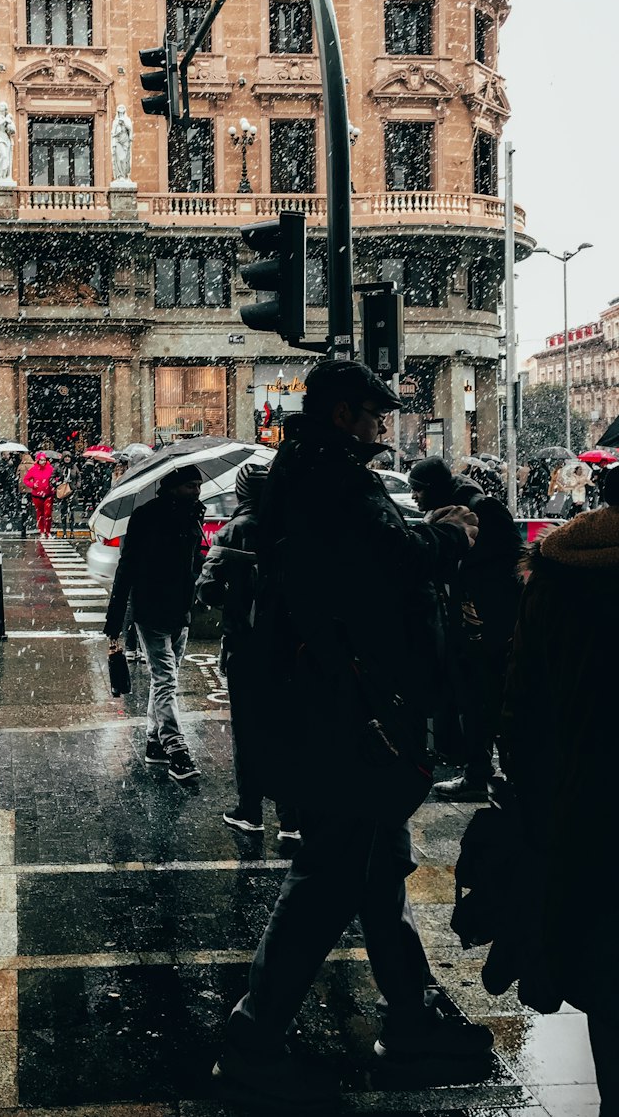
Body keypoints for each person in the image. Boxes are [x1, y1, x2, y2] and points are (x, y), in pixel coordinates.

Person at [213, 361, 491, 1105]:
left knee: (374, 869)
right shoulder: (332, 480)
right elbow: (389, 565)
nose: (380, 425)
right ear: (344, 415)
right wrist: (449, 535)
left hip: (332, 711)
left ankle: (411, 1010)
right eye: (373, 413)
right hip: (350, 717)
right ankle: (255, 1032)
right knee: (333, 876)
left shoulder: (304, 472)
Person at [496, 465, 619, 1117]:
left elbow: (522, 710)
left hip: (586, 807)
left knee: (607, 966)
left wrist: (536, 810)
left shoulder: (558, 572)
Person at [408, 456, 523, 801]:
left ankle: (509, 776)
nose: (413, 498)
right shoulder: (445, 514)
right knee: (473, 700)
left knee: (493, 699)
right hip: (465, 622)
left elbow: (510, 560)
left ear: (433, 489)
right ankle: (478, 772)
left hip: (490, 624)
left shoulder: (481, 508)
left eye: (417, 490)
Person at [197, 463, 299, 839]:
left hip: (247, 642)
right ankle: (291, 817)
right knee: (288, 727)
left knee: (249, 727)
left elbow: (208, 588)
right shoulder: (292, 525)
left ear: (240, 493)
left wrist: (235, 599)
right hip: (290, 644)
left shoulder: (234, 530)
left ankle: (250, 810)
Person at [103, 463, 206, 782]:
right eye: (190, 486)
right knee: (166, 678)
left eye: (198, 486)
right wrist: (115, 620)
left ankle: (153, 741)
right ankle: (176, 749)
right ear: (173, 487)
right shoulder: (147, 516)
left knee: (166, 678)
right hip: (151, 608)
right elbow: (127, 567)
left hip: (181, 609)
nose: (197, 491)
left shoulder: (194, 515)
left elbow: (192, 560)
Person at [24, 451, 56, 537]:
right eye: (41, 460)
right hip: (37, 495)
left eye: (44, 460)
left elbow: (55, 477)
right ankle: (42, 531)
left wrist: (54, 482)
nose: (43, 462)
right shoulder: (33, 469)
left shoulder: (50, 468)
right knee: (40, 514)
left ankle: (48, 531)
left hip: (48, 494)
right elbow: (26, 479)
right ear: (38, 460)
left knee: (48, 513)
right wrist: (32, 485)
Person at [54, 450, 79, 536]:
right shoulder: (59, 467)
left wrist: (77, 485)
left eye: (69, 457)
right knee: (63, 512)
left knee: (71, 513)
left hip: (72, 490)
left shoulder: (74, 467)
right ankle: (64, 531)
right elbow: (52, 477)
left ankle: (72, 531)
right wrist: (56, 484)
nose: (67, 459)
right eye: (66, 457)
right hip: (62, 491)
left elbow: (78, 477)